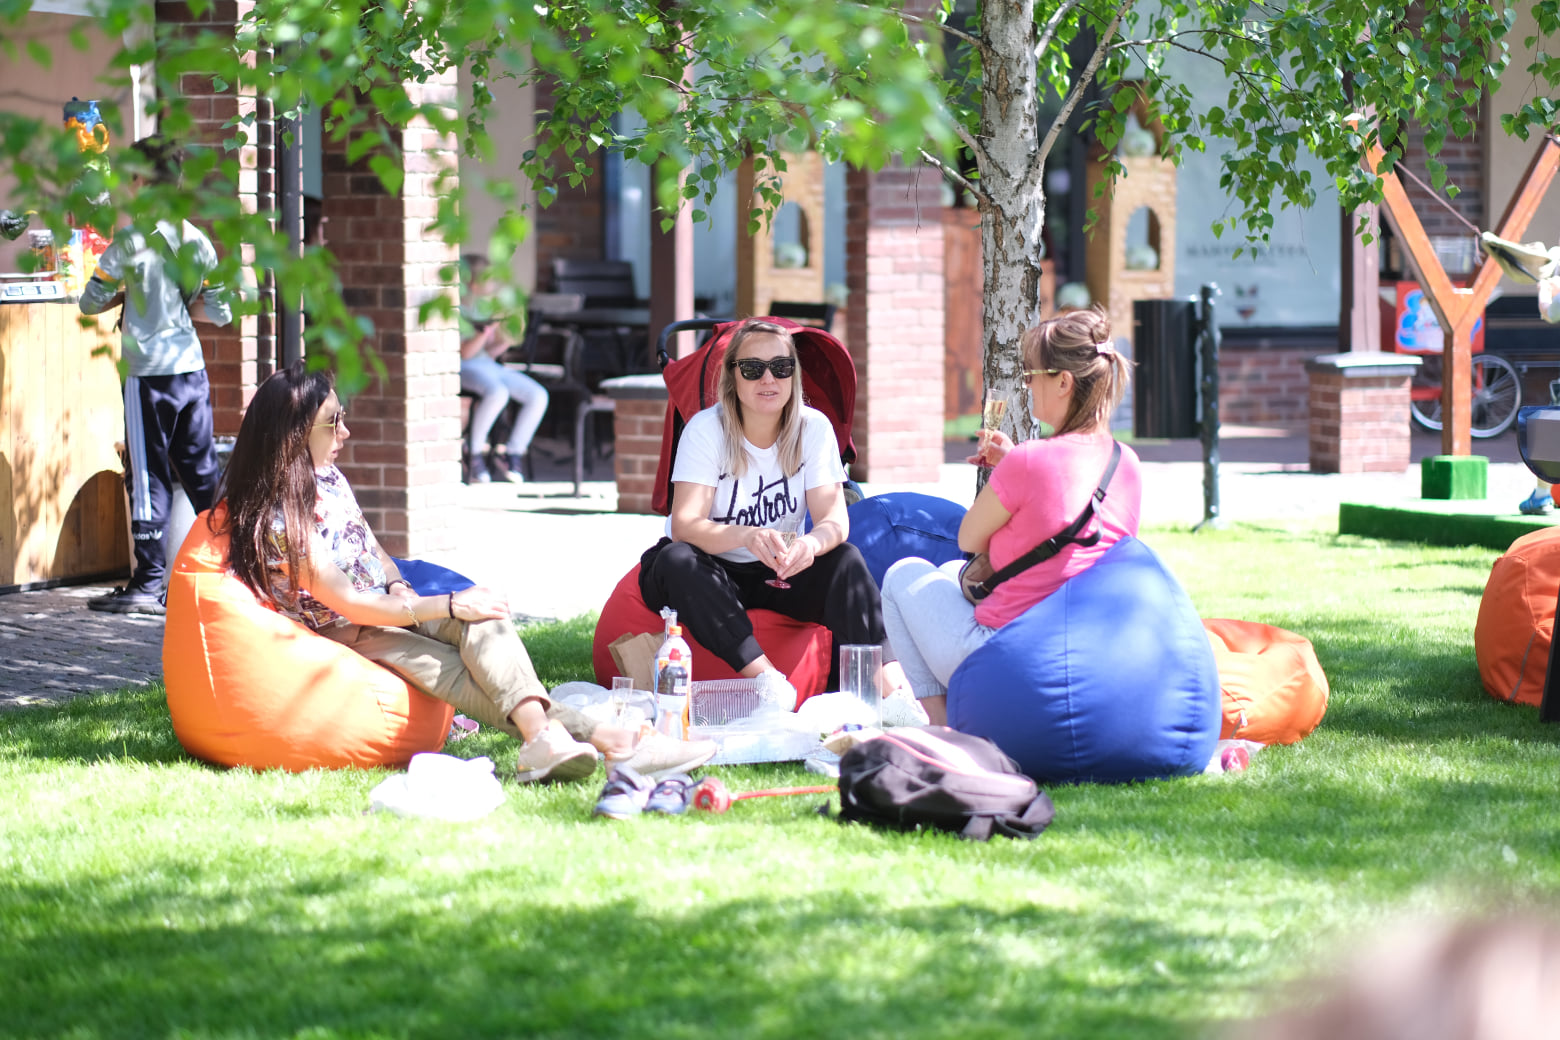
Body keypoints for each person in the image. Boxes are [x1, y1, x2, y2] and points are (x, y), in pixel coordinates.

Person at [214, 361, 716, 783]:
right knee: (459, 670)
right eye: (333, 422)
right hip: (349, 631)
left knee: (486, 619)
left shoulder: (327, 477)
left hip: (391, 601)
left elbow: (371, 549)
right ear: (294, 433)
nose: (345, 431)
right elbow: (352, 604)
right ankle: (616, 743)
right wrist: (450, 605)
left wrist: (397, 581)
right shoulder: (281, 520)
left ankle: (550, 742)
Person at [881, 306, 1141, 725]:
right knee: (949, 572)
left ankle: (945, 726)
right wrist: (1013, 466)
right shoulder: (1125, 461)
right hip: (1080, 652)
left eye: (1031, 374)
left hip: (1008, 660)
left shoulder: (1030, 460)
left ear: (1063, 382)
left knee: (902, 576)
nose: (1027, 385)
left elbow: (968, 539)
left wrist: (1012, 468)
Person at [637, 318, 900, 708]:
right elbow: (684, 525)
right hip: (712, 567)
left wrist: (811, 545)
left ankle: (895, 694)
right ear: (732, 376)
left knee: (846, 560)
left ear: (794, 375)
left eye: (781, 367)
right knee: (677, 560)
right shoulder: (706, 430)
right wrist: (747, 535)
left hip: (780, 568)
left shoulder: (814, 428)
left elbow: (834, 520)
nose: (768, 379)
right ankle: (769, 683)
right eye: (752, 368)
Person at [79, 135, 231, 615]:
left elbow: (89, 302)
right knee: (203, 471)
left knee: (147, 477)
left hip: (147, 373)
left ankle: (147, 583)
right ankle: (232, 566)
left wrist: (127, 293)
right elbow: (221, 312)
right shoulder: (198, 242)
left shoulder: (128, 243)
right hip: (191, 369)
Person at [459, 253, 548, 484]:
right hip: (464, 367)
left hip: (486, 365)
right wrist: (486, 329)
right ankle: (473, 452)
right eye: (488, 279)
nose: (492, 285)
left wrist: (506, 339)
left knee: (538, 395)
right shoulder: (458, 309)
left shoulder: (483, 307)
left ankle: (513, 452)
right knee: (497, 393)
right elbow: (465, 353)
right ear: (473, 282)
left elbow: (488, 352)